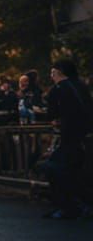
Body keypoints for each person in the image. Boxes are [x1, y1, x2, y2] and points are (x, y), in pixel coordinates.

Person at [41, 60, 93, 220]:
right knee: (80, 171)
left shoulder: (58, 89)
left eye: (52, 73)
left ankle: (67, 206)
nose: (51, 76)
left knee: (54, 168)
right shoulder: (82, 86)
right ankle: (83, 204)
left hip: (69, 136)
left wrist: (56, 120)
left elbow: (52, 114)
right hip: (86, 135)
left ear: (59, 72)